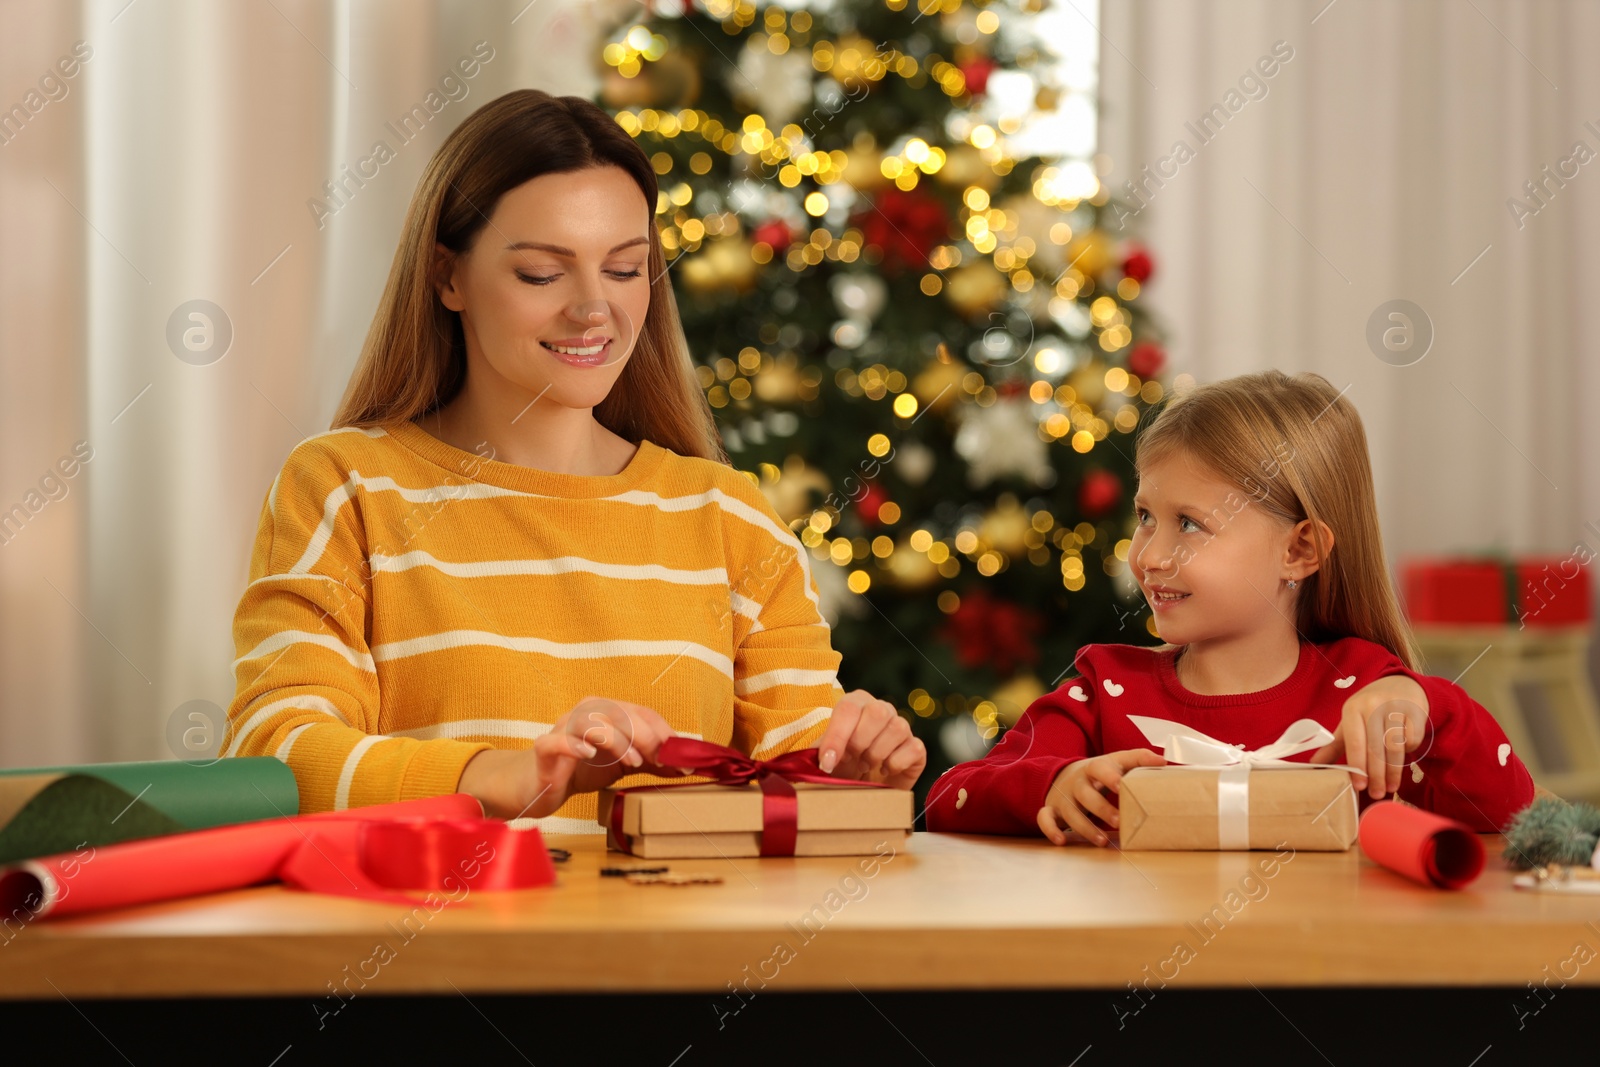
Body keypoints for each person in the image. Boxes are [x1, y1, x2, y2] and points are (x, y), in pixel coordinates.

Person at [224, 89, 924, 827]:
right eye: (541, 273)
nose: (594, 309)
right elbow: (277, 755)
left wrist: (852, 776)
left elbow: (800, 787)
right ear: (447, 276)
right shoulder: (344, 487)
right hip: (434, 941)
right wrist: (508, 775)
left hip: (677, 942)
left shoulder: (729, 517)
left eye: (624, 269)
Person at [926, 370, 1533, 843]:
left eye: (1189, 524)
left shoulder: (1370, 696)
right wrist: (1053, 783)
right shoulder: (1104, 689)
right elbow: (951, 797)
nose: (1150, 556)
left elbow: (1517, 819)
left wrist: (1430, 706)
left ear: (1299, 550)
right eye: (1145, 518)